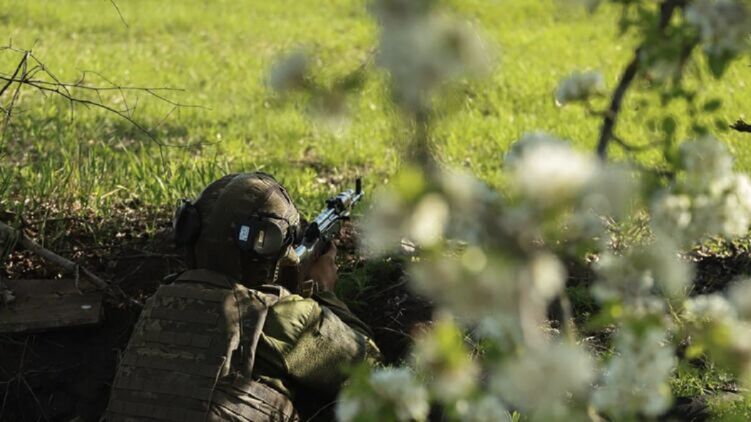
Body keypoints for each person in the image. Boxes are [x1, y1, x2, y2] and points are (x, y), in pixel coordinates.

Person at [105, 172, 381, 421]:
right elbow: (370, 370)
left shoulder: (159, 302)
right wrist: (323, 291)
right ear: (272, 249)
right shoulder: (277, 315)